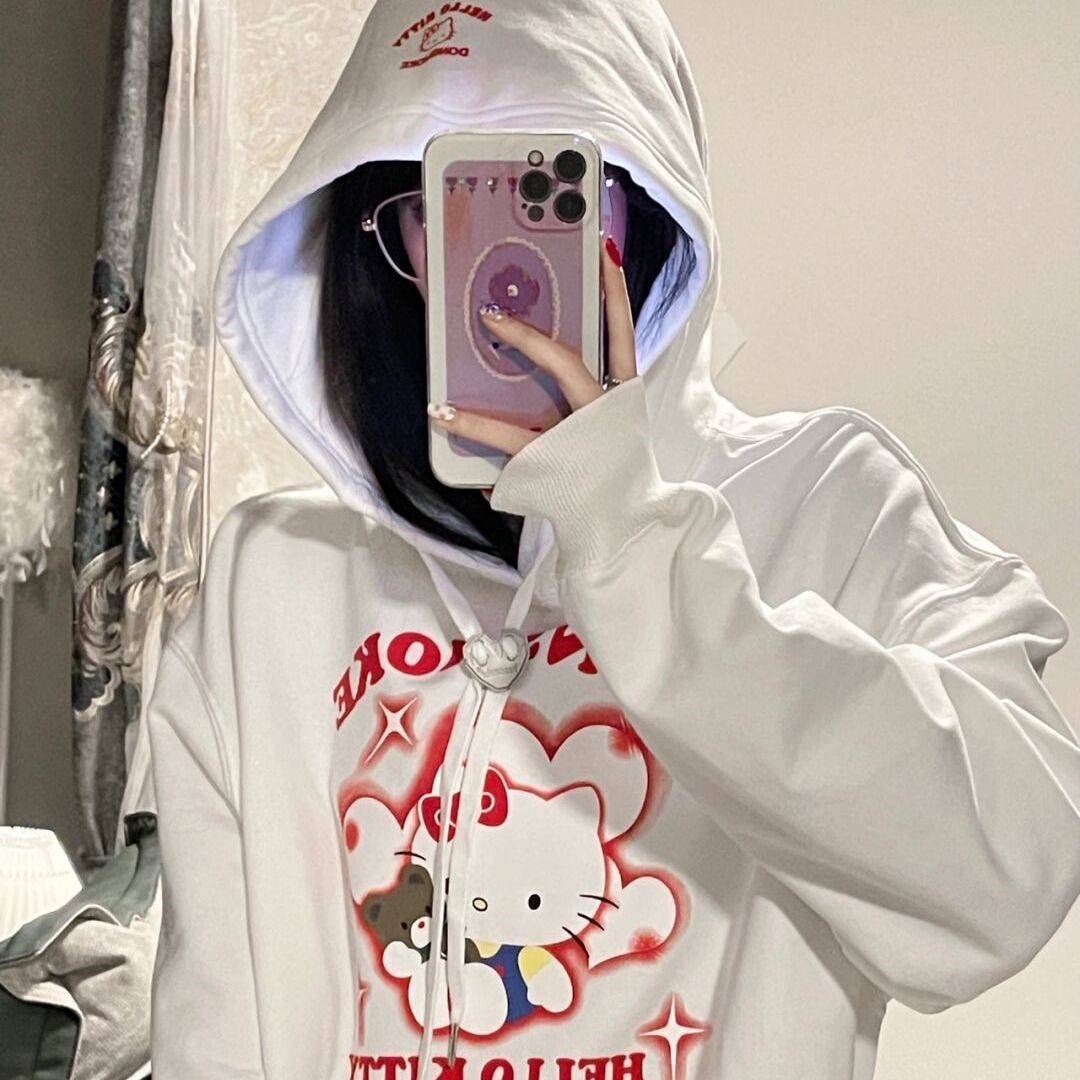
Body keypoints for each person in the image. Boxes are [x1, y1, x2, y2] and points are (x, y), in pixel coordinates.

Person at [146, 1, 1080, 1078]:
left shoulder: (827, 504)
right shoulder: (271, 579)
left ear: (650, 216)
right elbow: (215, 1031)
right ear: (379, 237)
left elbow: (1009, 877)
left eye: (554, 194)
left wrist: (632, 538)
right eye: (442, 198)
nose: (500, 270)